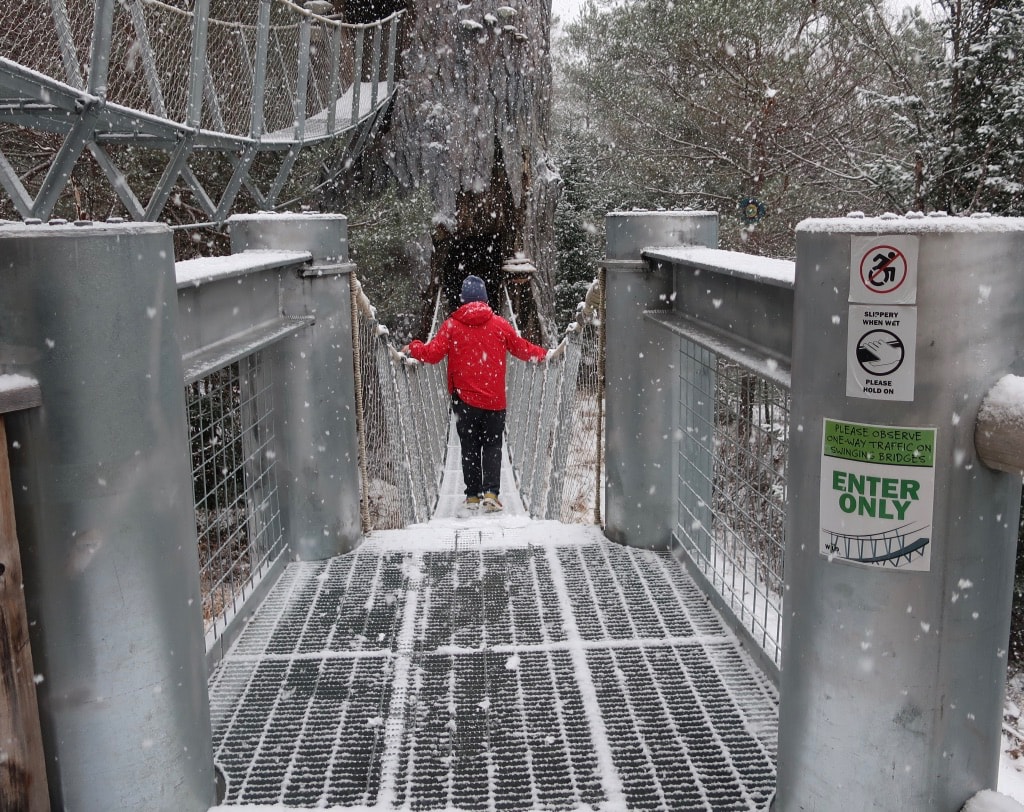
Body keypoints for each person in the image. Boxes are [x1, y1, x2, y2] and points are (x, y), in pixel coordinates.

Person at [403, 274, 550, 512]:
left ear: (463, 300)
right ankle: (491, 493)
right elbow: (522, 348)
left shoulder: (451, 325)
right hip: (494, 399)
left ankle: (472, 495)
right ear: (485, 299)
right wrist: (545, 354)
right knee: (492, 445)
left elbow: (432, 354)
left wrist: (414, 347)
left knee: (469, 445)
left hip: (464, 400)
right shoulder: (500, 324)